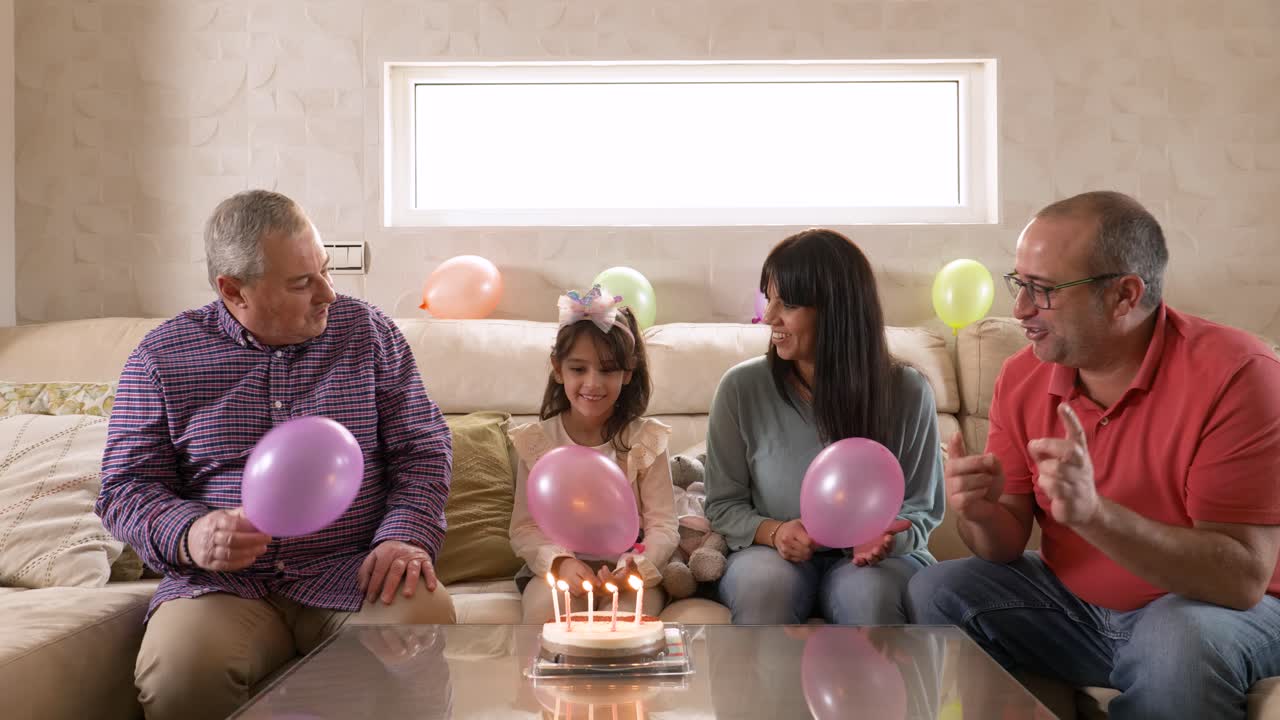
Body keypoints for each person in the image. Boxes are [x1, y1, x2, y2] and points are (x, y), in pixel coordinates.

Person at [906, 191, 1280, 719]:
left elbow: (1241, 580)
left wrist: (1095, 515)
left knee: (1175, 641)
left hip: (1221, 610)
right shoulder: (1023, 376)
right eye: (1020, 285)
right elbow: (1004, 543)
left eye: (1043, 291)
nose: (1020, 310)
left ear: (1125, 295)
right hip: (1078, 607)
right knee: (936, 589)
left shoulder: (1239, 376)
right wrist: (981, 513)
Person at [95, 190, 456, 720]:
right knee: (180, 673)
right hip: (220, 587)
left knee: (420, 621)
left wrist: (403, 536)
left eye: (326, 271)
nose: (328, 294)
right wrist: (192, 532)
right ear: (234, 291)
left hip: (352, 572)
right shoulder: (161, 358)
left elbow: (423, 449)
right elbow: (123, 488)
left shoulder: (369, 333)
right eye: (302, 282)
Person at [705, 228, 945, 625]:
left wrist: (887, 539)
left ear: (838, 309)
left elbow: (921, 508)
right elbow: (722, 505)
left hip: (875, 562)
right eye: (770, 298)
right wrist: (776, 532)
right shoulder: (740, 388)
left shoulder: (907, 391)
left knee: (869, 597)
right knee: (764, 587)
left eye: (789, 304)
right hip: (769, 554)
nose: (769, 317)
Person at [509, 285, 678, 622]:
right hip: (560, 566)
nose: (593, 383)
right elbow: (524, 528)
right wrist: (560, 562)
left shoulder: (645, 440)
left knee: (627, 623)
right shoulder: (538, 442)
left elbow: (664, 524)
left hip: (630, 566)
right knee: (547, 614)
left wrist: (634, 565)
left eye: (607, 370)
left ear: (627, 373)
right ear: (558, 369)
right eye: (578, 369)